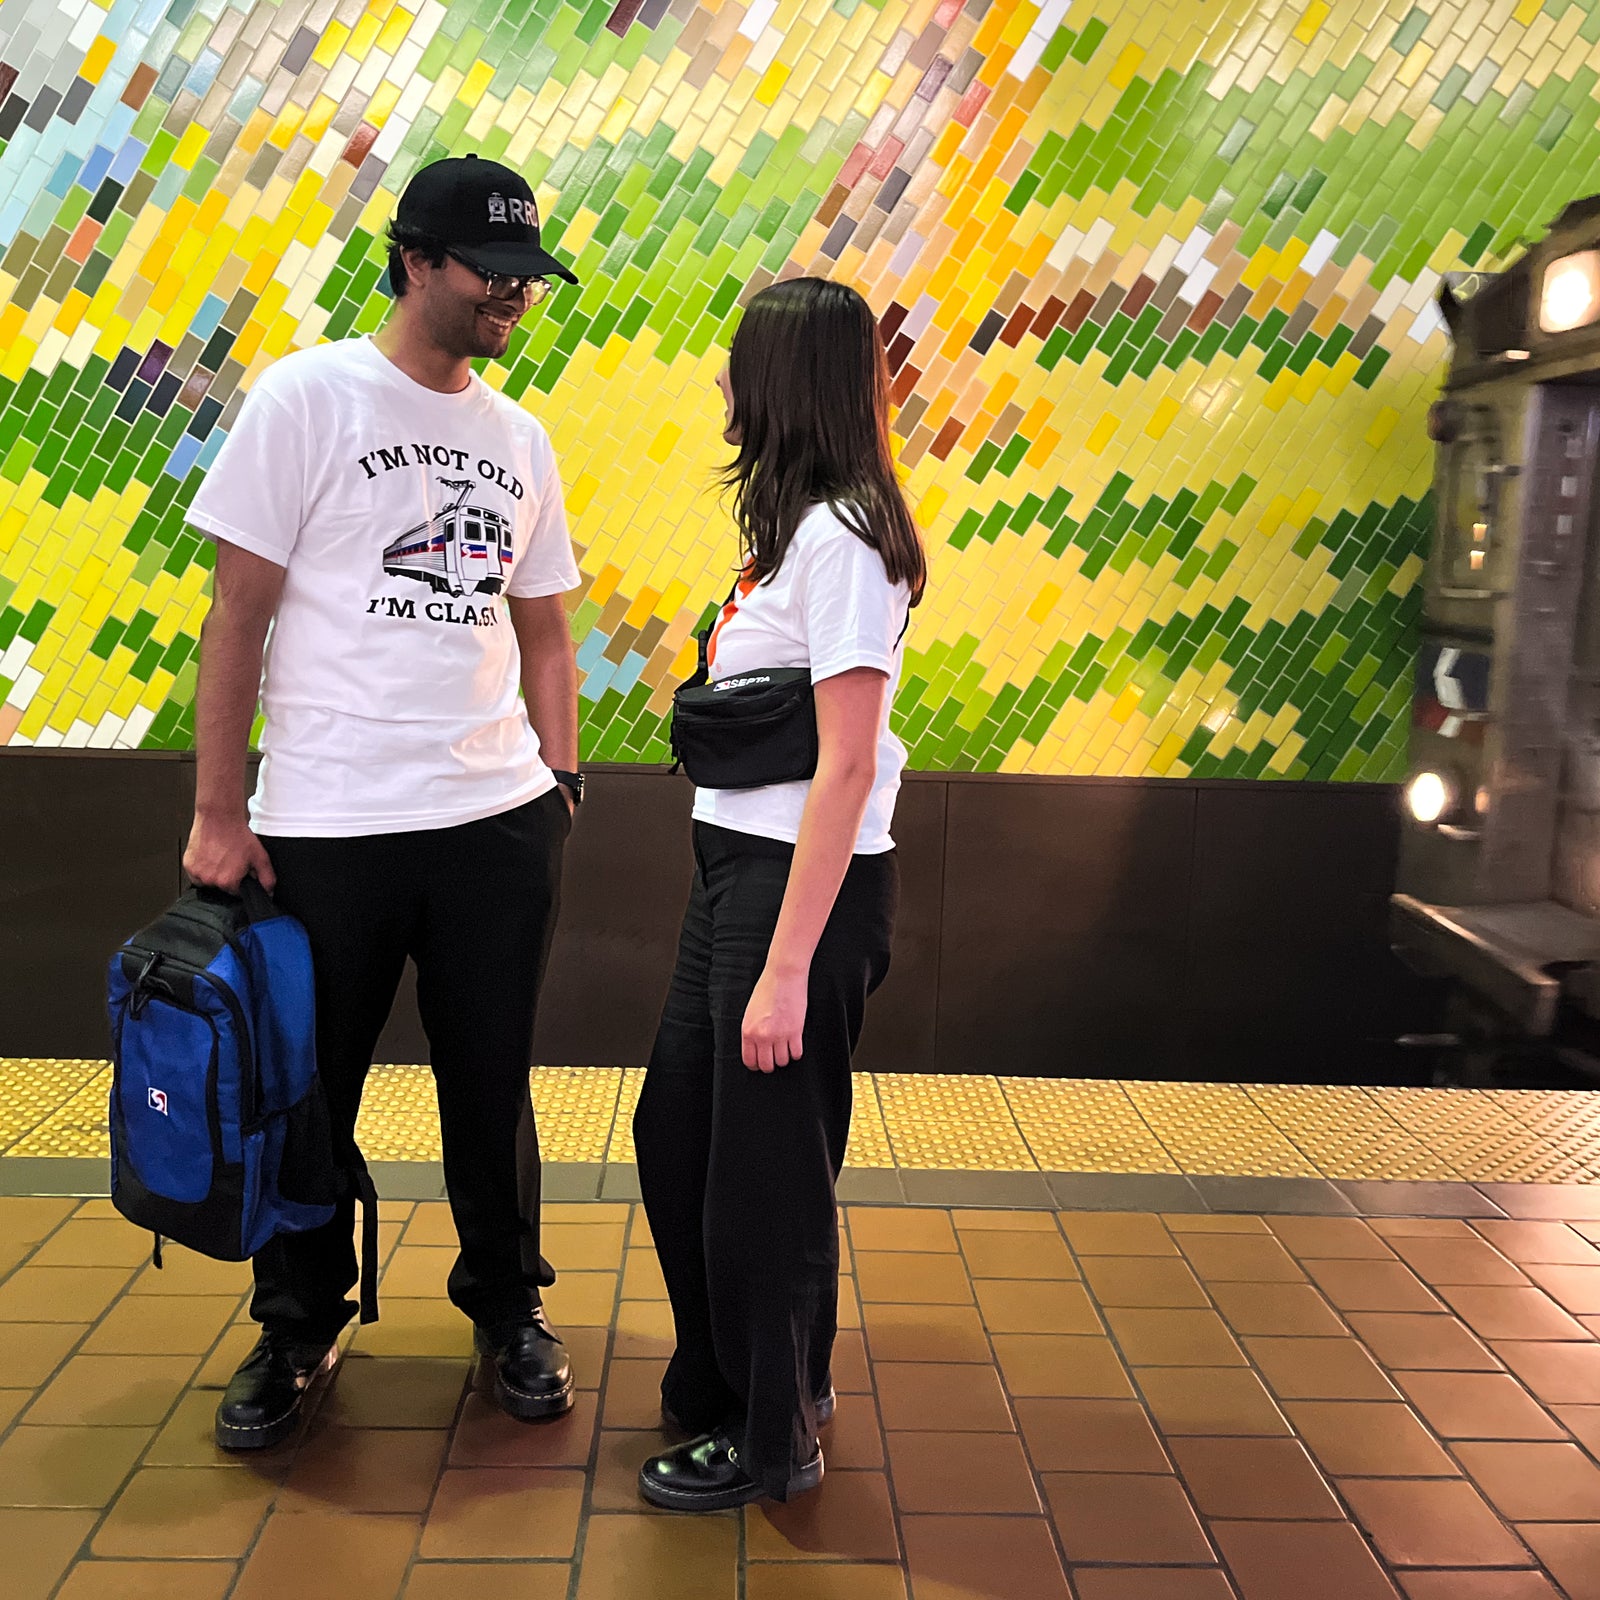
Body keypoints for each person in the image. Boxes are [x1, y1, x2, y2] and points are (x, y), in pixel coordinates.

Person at [181, 153, 589, 1449]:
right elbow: (234, 620)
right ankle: (297, 1324)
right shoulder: (308, 398)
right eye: (493, 272)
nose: (514, 297)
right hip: (327, 824)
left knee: (490, 1084)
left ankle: (508, 1310)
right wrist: (217, 812)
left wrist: (562, 777)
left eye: (528, 276)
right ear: (415, 259)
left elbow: (548, 634)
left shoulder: (520, 436)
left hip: (493, 820)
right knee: (312, 1090)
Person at [632, 277, 927, 1511]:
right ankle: (736, 1372)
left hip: (797, 892)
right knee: (677, 1132)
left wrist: (787, 965)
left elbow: (848, 758)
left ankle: (777, 1434)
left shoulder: (847, 537)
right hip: (738, 875)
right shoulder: (795, 531)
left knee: (767, 1173)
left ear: (784, 383)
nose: (720, 385)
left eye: (736, 364)